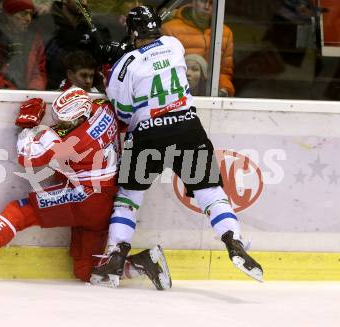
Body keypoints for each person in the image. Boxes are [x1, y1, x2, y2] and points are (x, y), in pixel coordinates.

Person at [91, 5, 263, 288]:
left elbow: (122, 112)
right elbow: (153, 57)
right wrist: (126, 55)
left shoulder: (126, 66)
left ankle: (115, 254)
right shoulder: (174, 45)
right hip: (186, 128)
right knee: (210, 191)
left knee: (128, 197)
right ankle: (233, 241)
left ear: (132, 32)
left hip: (148, 134)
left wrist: (116, 64)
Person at [0, 87, 171, 290]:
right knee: (87, 271)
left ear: (80, 117)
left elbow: (27, 156)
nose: (60, 124)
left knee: (23, 210)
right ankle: (146, 263)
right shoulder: (103, 108)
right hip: (106, 200)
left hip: (84, 198)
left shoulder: (74, 141)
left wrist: (29, 125)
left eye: (66, 121)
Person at [161, 0, 235, 97]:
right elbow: (162, 71)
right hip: (177, 96)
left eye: (212, 3)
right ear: (193, 1)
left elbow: (225, 72)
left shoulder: (225, 33)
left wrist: (225, 89)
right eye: (203, 1)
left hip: (210, 98)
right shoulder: (169, 29)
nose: (207, 7)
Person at [0, 0, 47, 90]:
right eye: (23, 14)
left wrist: (33, 92)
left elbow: (39, 72)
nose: (28, 19)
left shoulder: (35, 39)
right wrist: (13, 93)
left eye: (30, 14)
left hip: (28, 97)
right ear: (9, 15)